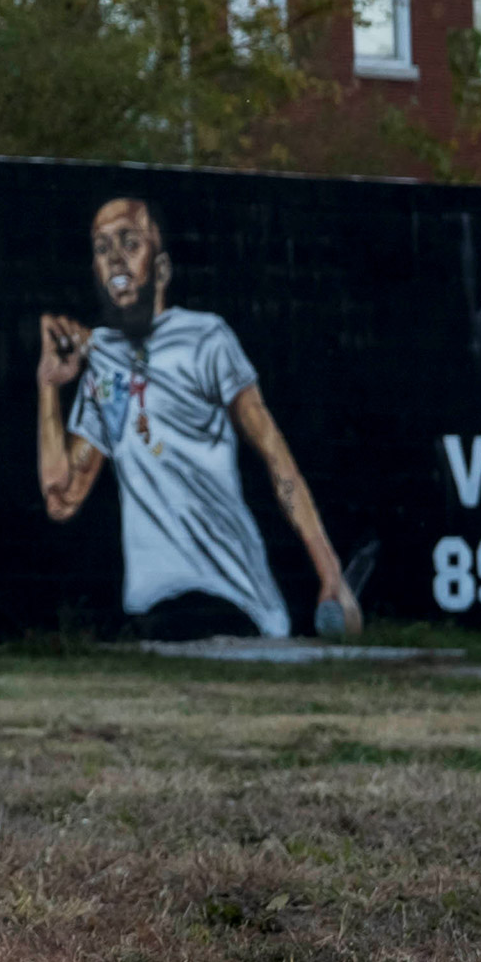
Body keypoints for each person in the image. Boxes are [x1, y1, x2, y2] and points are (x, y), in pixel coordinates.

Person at [33, 197, 362, 643]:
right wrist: (50, 387)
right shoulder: (101, 367)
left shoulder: (207, 339)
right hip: (152, 610)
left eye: (130, 243)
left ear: (162, 268)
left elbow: (276, 456)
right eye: (102, 246)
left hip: (234, 601)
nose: (114, 257)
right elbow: (62, 498)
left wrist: (330, 574)